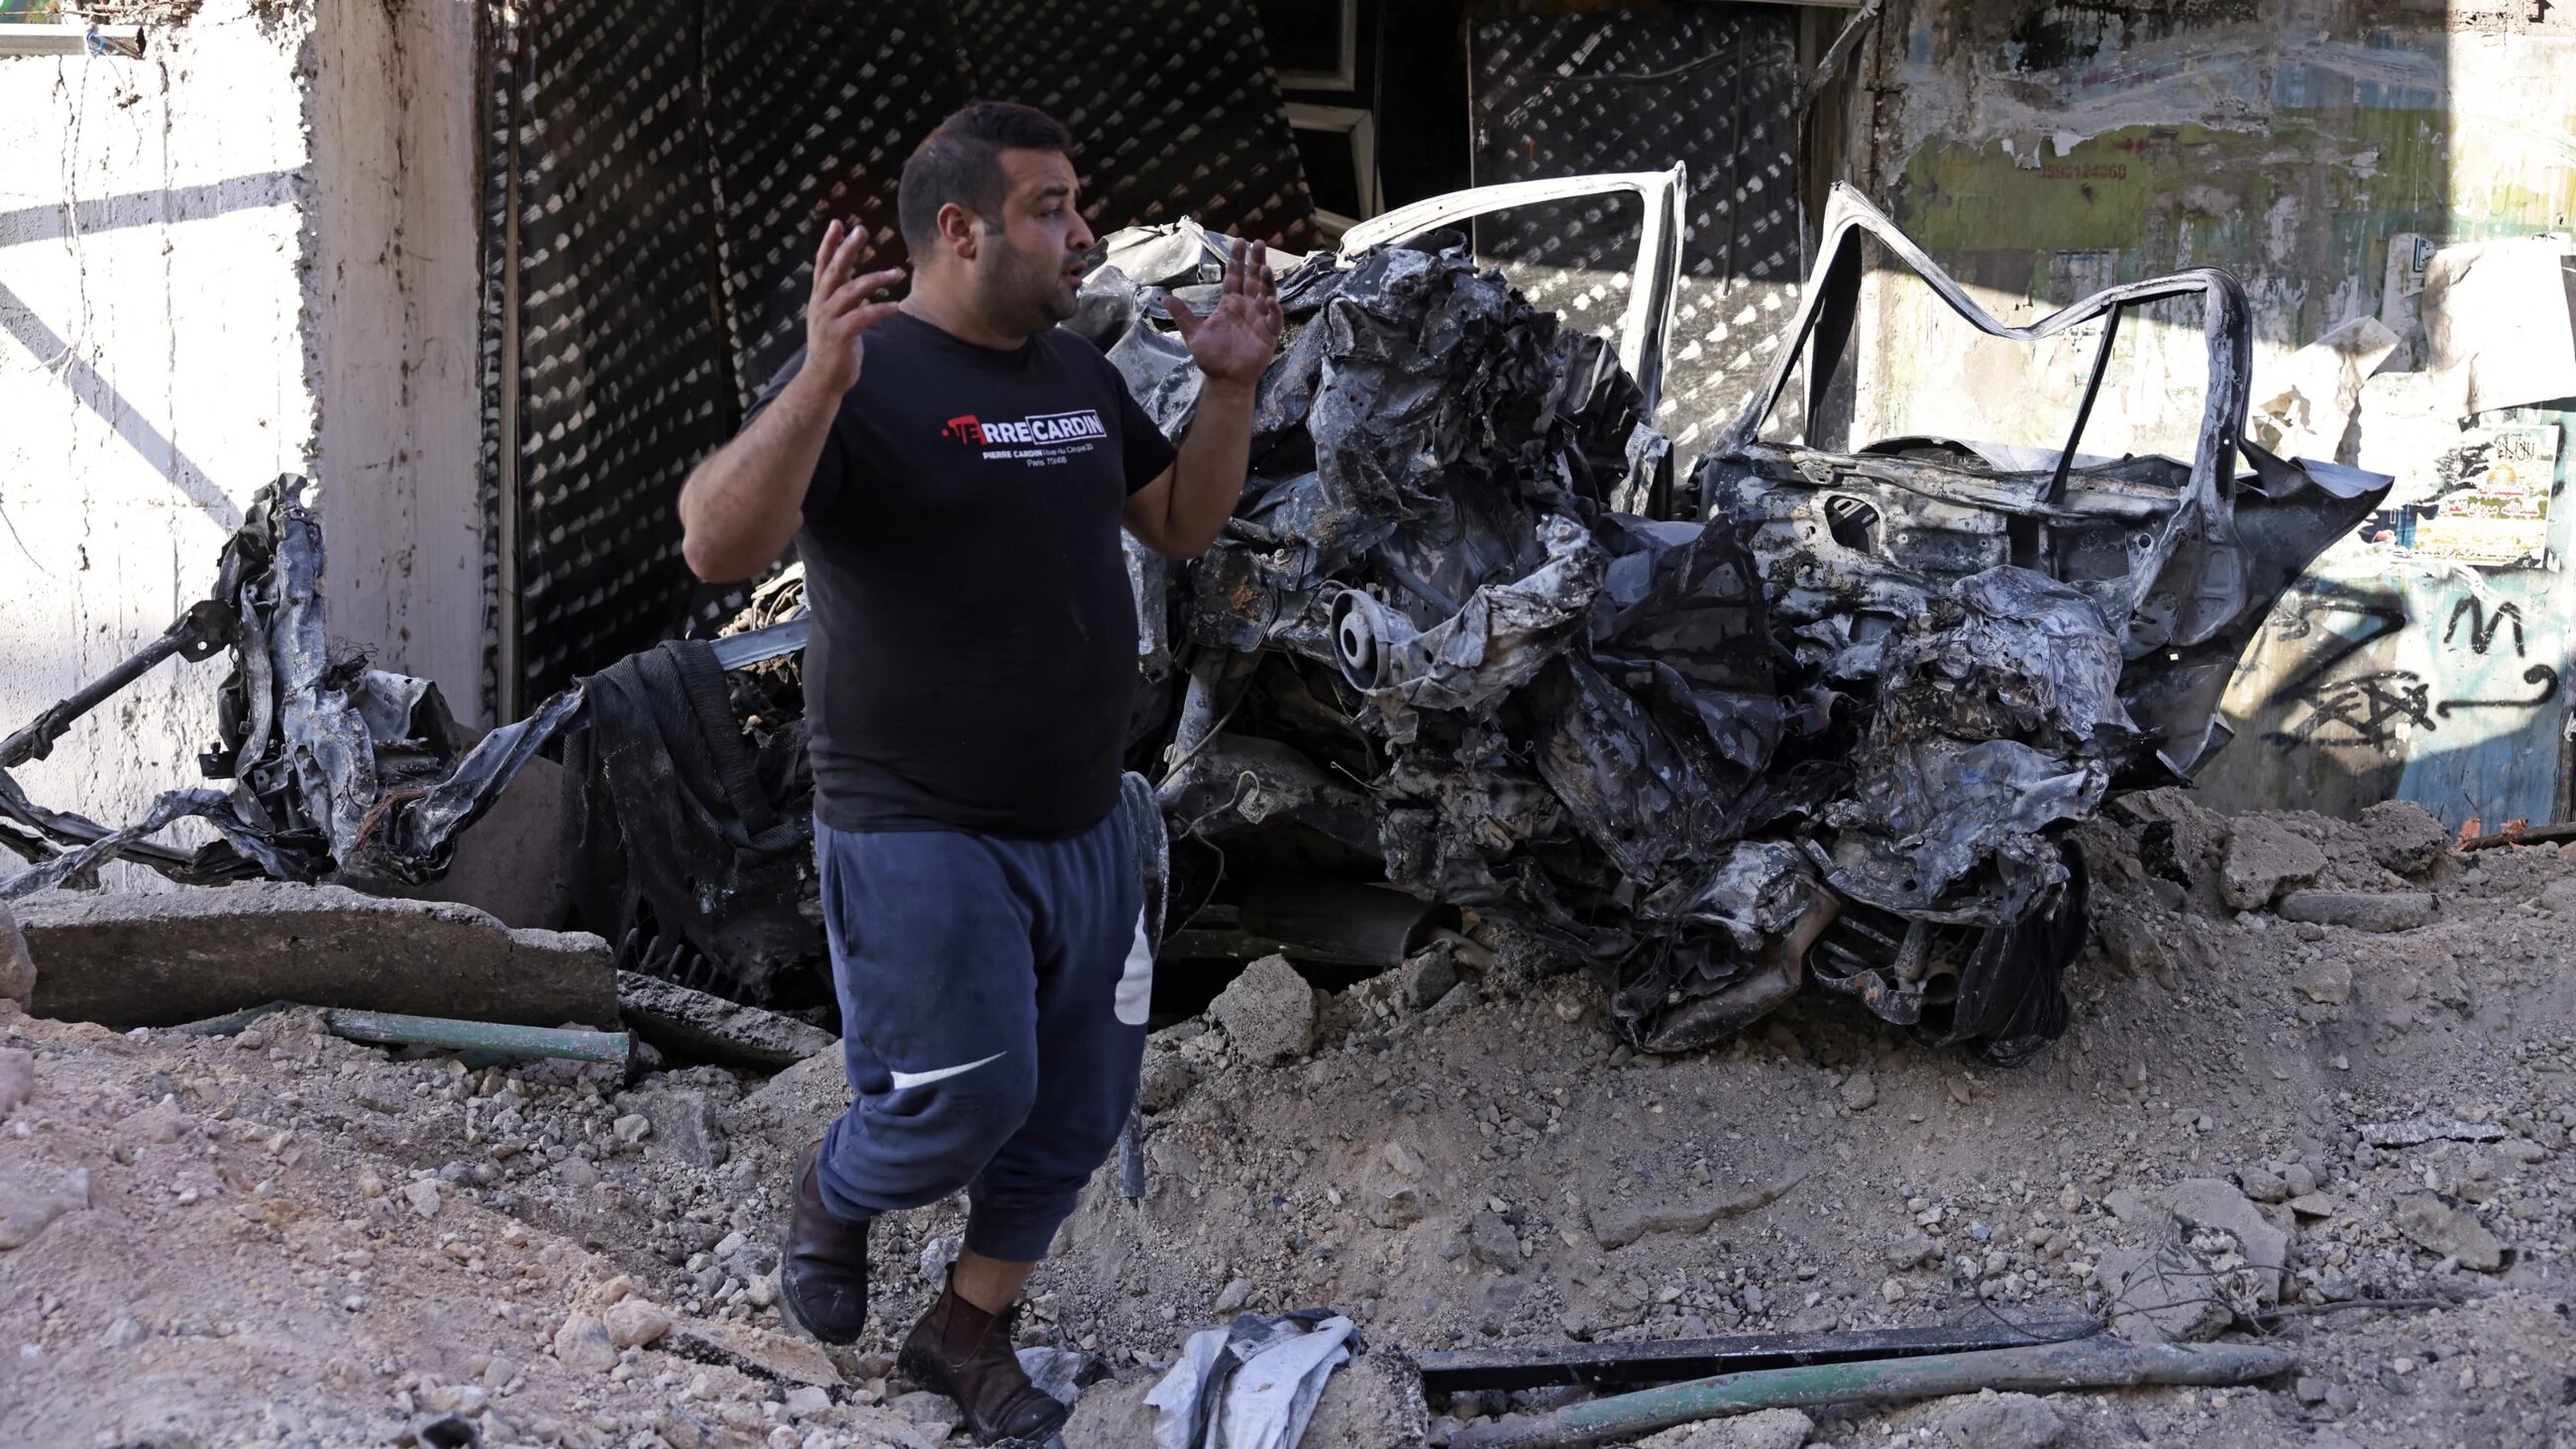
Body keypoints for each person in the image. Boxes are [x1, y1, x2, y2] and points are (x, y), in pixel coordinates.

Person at [675, 100, 1280, 1444]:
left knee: (1079, 1104)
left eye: (1077, 203)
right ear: (960, 229)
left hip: (1086, 824)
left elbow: (1180, 522)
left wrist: (1232, 388)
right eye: (1051, 207)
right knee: (966, 1099)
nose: (1084, 232)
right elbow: (716, 545)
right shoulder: (866, 378)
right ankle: (837, 1188)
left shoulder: (1072, 375)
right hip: (918, 829)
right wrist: (814, 384)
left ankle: (967, 1329)